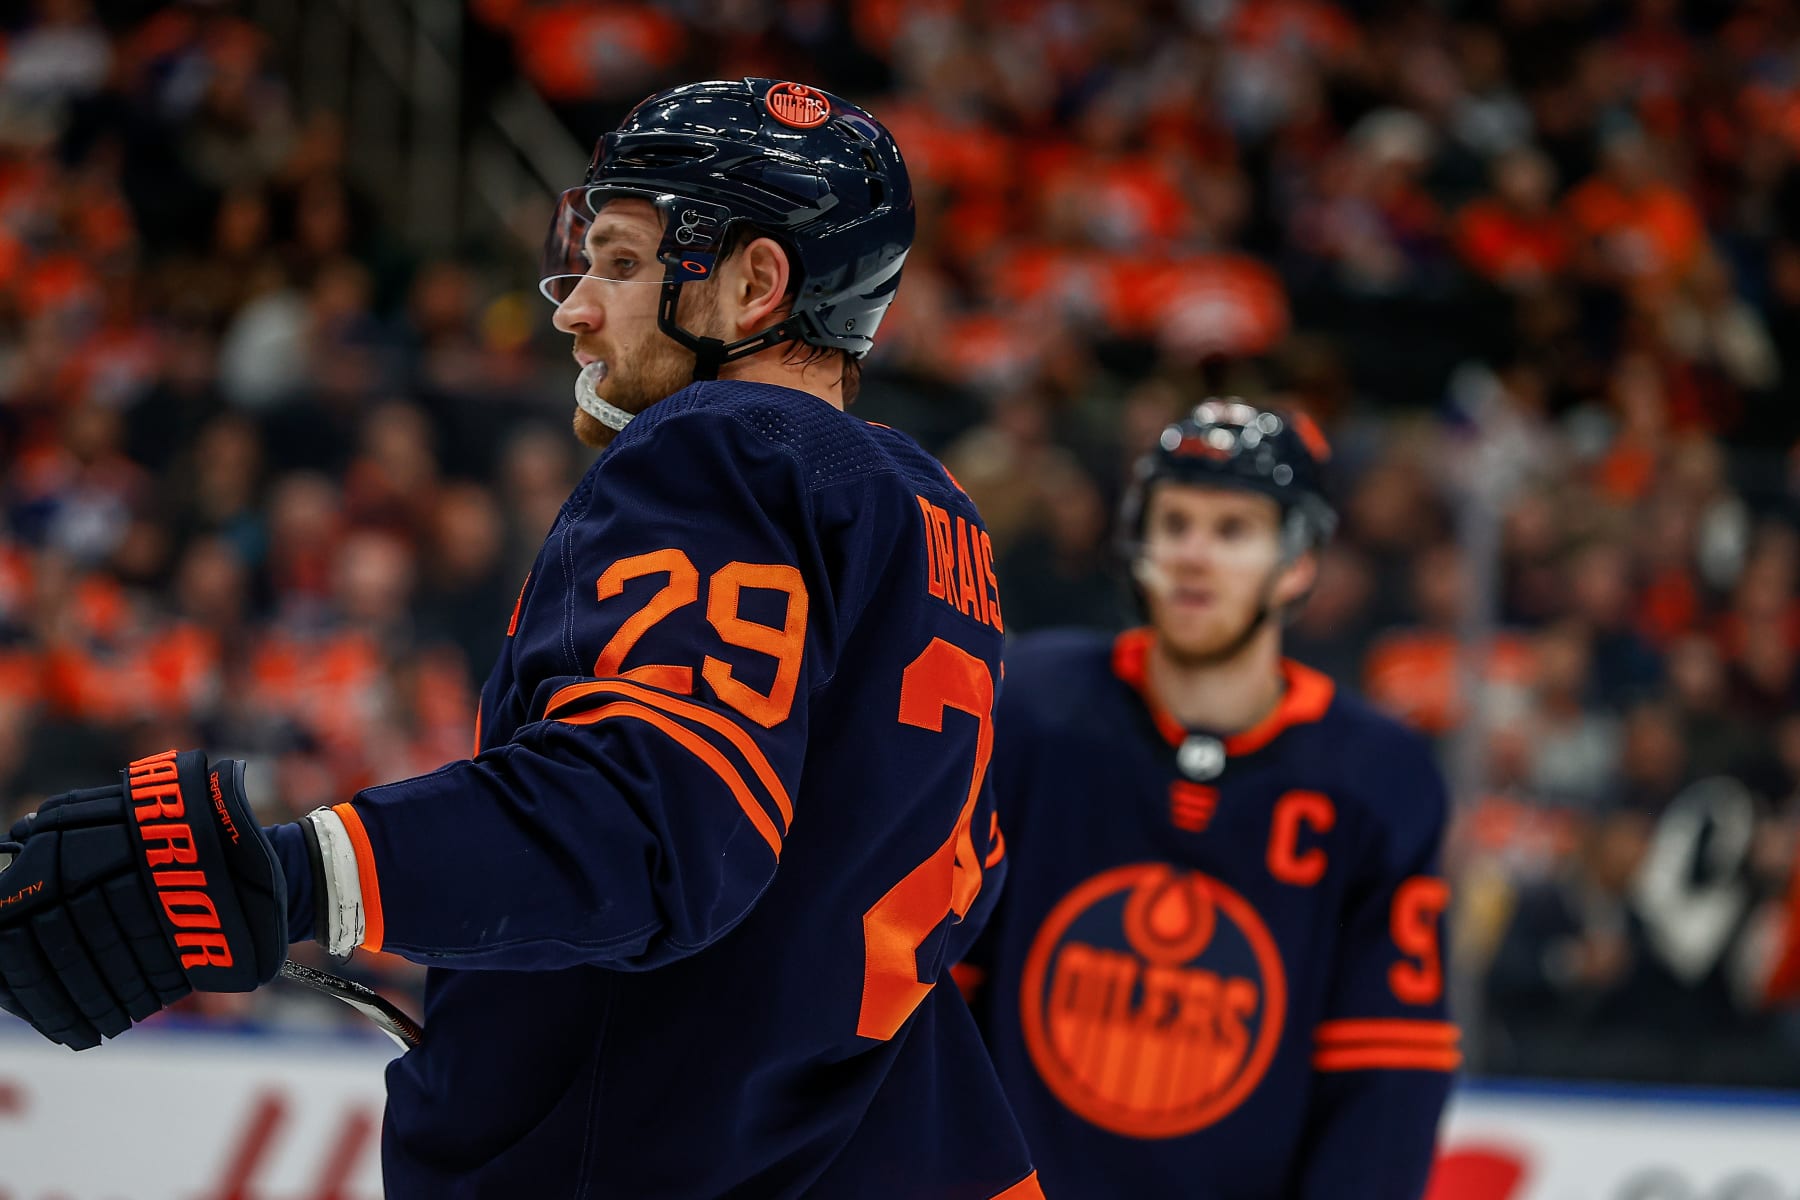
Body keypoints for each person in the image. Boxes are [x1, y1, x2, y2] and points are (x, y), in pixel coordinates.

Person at [0, 79, 1042, 1200]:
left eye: (623, 263)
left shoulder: (727, 443)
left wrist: (292, 875)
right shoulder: (932, 512)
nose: (574, 309)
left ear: (754, 284)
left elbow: (646, 825)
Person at [959, 401, 1455, 1198]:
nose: (1193, 556)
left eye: (1232, 531)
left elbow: (1389, 1073)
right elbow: (933, 984)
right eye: (1175, 523)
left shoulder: (1376, 777)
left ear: (1298, 563)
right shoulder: (1031, 711)